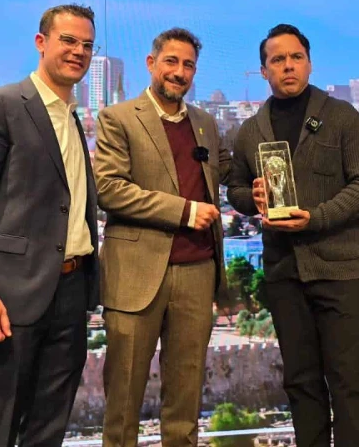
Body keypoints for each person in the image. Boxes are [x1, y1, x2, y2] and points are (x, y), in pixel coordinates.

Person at [0, 4, 101, 447]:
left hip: (71, 293)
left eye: (87, 45)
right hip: (10, 296)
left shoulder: (72, 118)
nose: (78, 52)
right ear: (41, 42)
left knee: (48, 427)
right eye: (68, 41)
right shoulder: (1, 104)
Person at [226, 23, 359, 446]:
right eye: (278, 60)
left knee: (350, 384)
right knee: (300, 383)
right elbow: (236, 189)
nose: (288, 66)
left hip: (342, 271)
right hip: (285, 274)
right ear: (264, 71)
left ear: (310, 63)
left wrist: (315, 218)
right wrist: (251, 194)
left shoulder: (341, 116)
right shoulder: (251, 129)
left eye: (296, 57)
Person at [94, 27, 231, 447]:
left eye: (188, 65)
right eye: (171, 61)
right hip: (136, 277)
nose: (180, 72)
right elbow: (110, 190)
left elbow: (227, 174)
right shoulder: (118, 118)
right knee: (123, 402)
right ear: (151, 64)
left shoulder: (206, 124)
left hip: (196, 274)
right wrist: (186, 212)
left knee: (185, 404)